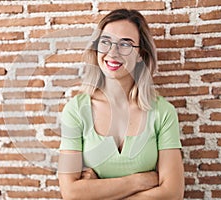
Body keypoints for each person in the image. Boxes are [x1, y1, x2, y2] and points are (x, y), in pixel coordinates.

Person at [58, 9, 184, 200]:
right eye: (106, 42)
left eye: (125, 44)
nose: (113, 52)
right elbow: (71, 193)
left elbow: (172, 193)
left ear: (141, 53)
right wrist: (139, 181)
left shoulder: (163, 112)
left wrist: (97, 190)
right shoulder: (76, 110)